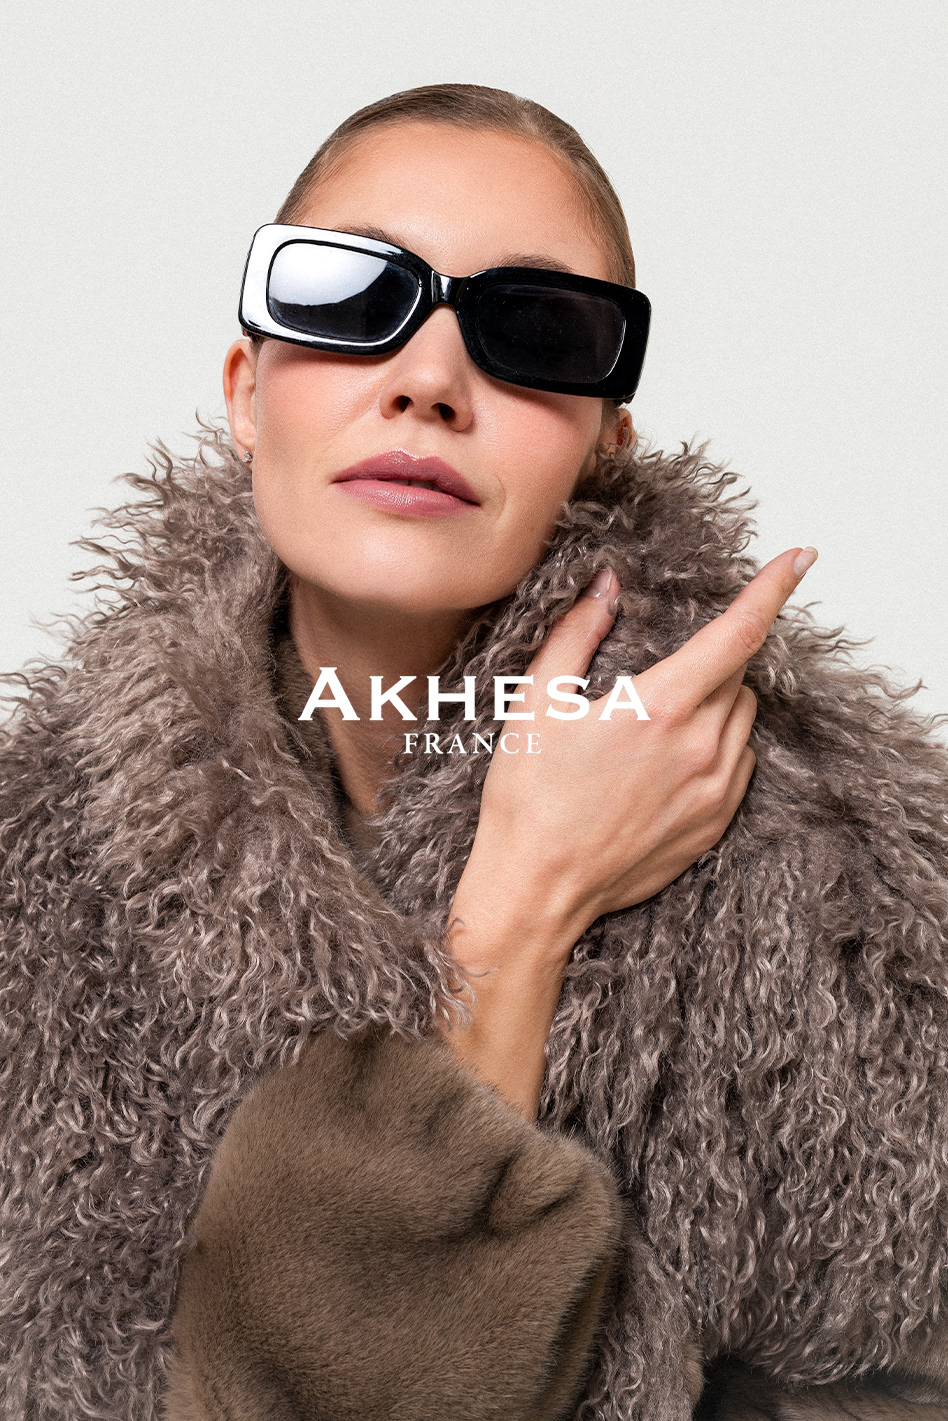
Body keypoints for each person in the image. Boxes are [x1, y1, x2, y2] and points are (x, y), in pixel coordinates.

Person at [2, 84, 948, 1421]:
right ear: (246, 392)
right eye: (349, 294)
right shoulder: (31, 870)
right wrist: (523, 905)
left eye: (537, 329)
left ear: (605, 442)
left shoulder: (839, 893)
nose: (429, 381)